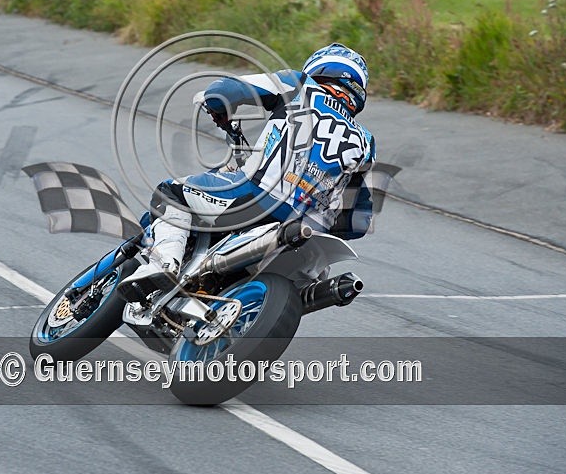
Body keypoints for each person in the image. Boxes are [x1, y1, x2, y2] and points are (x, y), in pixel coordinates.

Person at [117, 43, 376, 301]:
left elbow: (224, 90)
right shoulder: (366, 142)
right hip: (308, 232)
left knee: (170, 192)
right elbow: (357, 221)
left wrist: (218, 107)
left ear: (321, 69)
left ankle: (166, 263)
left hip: (255, 197)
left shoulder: (299, 84)